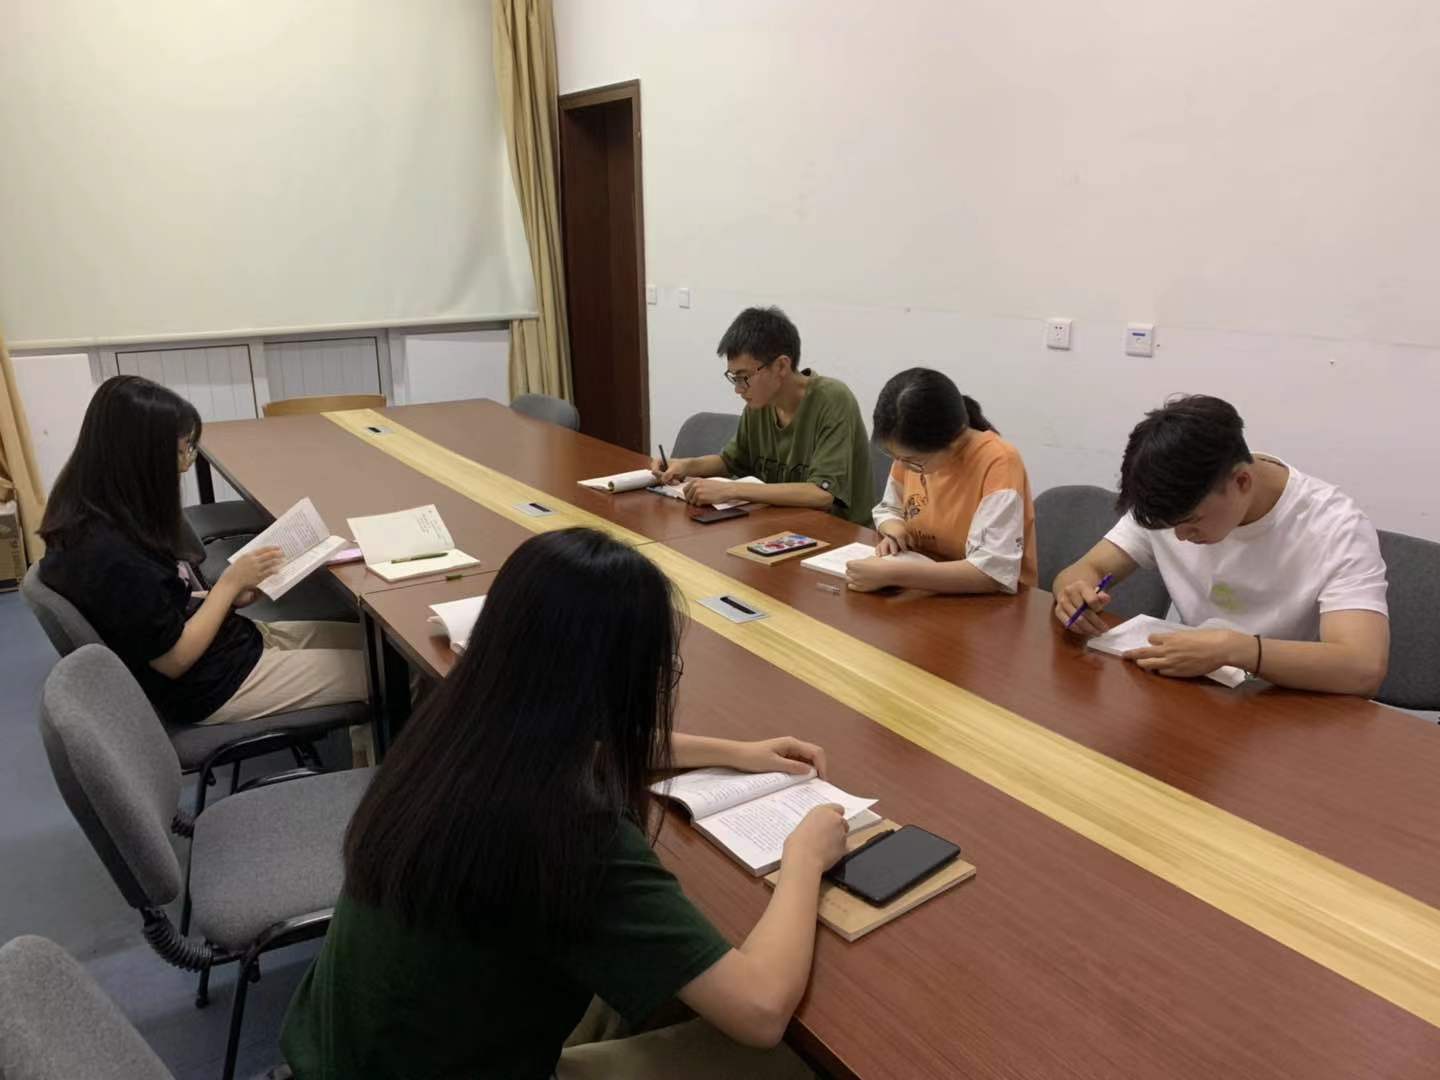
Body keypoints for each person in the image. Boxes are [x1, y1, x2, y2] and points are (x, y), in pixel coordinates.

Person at [281, 527, 846, 1080]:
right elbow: (760, 1011)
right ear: (620, 681)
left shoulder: (454, 728)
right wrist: (803, 856)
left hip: (345, 1051)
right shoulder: (567, 827)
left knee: (672, 989)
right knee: (788, 1060)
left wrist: (734, 752)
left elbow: (590, 744)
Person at [38, 375, 368, 726]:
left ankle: (368, 743)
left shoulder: (94, 517)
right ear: (141, 457)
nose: (184, 466)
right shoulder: (111, 554)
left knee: (377, 647)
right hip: (215, 683)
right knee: (387, 670)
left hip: (228, 648)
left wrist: (223, 598)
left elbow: (149, 610)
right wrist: (228, 585)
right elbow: (174, 660)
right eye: (180, 452)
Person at [1052, 395, 1389, 696]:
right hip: (1199, 693)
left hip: (1285, 703)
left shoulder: (1335, 525)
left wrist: (1235, 649)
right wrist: (1073, 592)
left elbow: (1363, 667)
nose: (1180, 537)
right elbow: (1087, 569)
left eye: (1192, 521)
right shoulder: (1171, 502)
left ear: (1241, 481)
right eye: (1170, 527)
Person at [651, 306, 875, 524]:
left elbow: (822, 494)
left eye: (744, 377)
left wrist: (731, 489)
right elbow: (730, 461)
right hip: (779, 526)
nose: (738, 389)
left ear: (781, 366)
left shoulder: (832, 400)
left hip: (838, 534)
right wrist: (686, 465)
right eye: (734, 378)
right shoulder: (759, 405)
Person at [845, 368, 1037, 594]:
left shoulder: (999, 462)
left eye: (912, 461)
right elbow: (889, 508)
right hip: (924, 587)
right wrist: (894, 530)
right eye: (895, 457)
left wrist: (893, 574)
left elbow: (991, 573)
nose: (903, 466)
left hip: (990, 602)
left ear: (953, 442)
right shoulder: (910, 454)